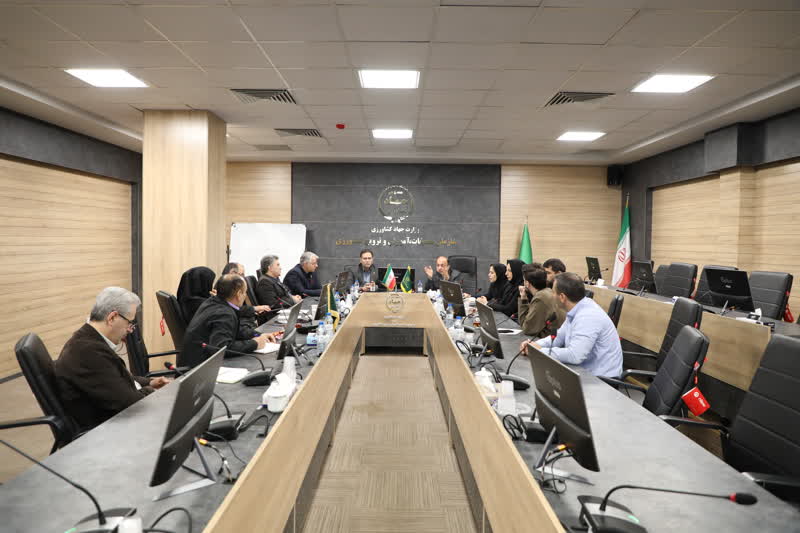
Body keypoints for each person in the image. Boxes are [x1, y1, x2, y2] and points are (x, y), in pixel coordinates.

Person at [54, 287, 172, 431]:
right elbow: (130, 404)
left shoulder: (88, 339)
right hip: (105, 430)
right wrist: (155, 392)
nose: (130, 330)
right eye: (129, 323)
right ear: (112, 318)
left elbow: (114, 376)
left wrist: (150, 382)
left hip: (111, 419)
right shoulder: (88, 352)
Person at [521, 272, 622, 378]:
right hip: (583, 372)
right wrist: (533, 345)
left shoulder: (588, 316)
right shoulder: (577, 309)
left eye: (553, 292)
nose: (552, 295)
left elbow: (575, 355)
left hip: (601, 380)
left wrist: (540, 351)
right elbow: (558, 337)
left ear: (562, 297)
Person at [180, 274, 276, 368]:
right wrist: (254, 344)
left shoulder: (213, 302)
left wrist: (258, 335)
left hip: (196, 360)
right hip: (198, 368)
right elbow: (222, 348)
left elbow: (237, 330)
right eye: (245, 292)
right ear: (239, 294)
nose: (245, 295)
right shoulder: (223, 313)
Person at [218, 262, 271, 333]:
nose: (244, 278)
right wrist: (254, 309)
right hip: (240, 325)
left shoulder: (237, 286)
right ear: (232, 273)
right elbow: (233, 309)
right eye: (242, 274)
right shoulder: (223, 288)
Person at [517, 268, 565, 338]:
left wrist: (523, 299)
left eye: (524, 280)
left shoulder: (540, 298)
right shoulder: (547, 291)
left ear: (527, 283)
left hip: (551, 339)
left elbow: (527, 329)